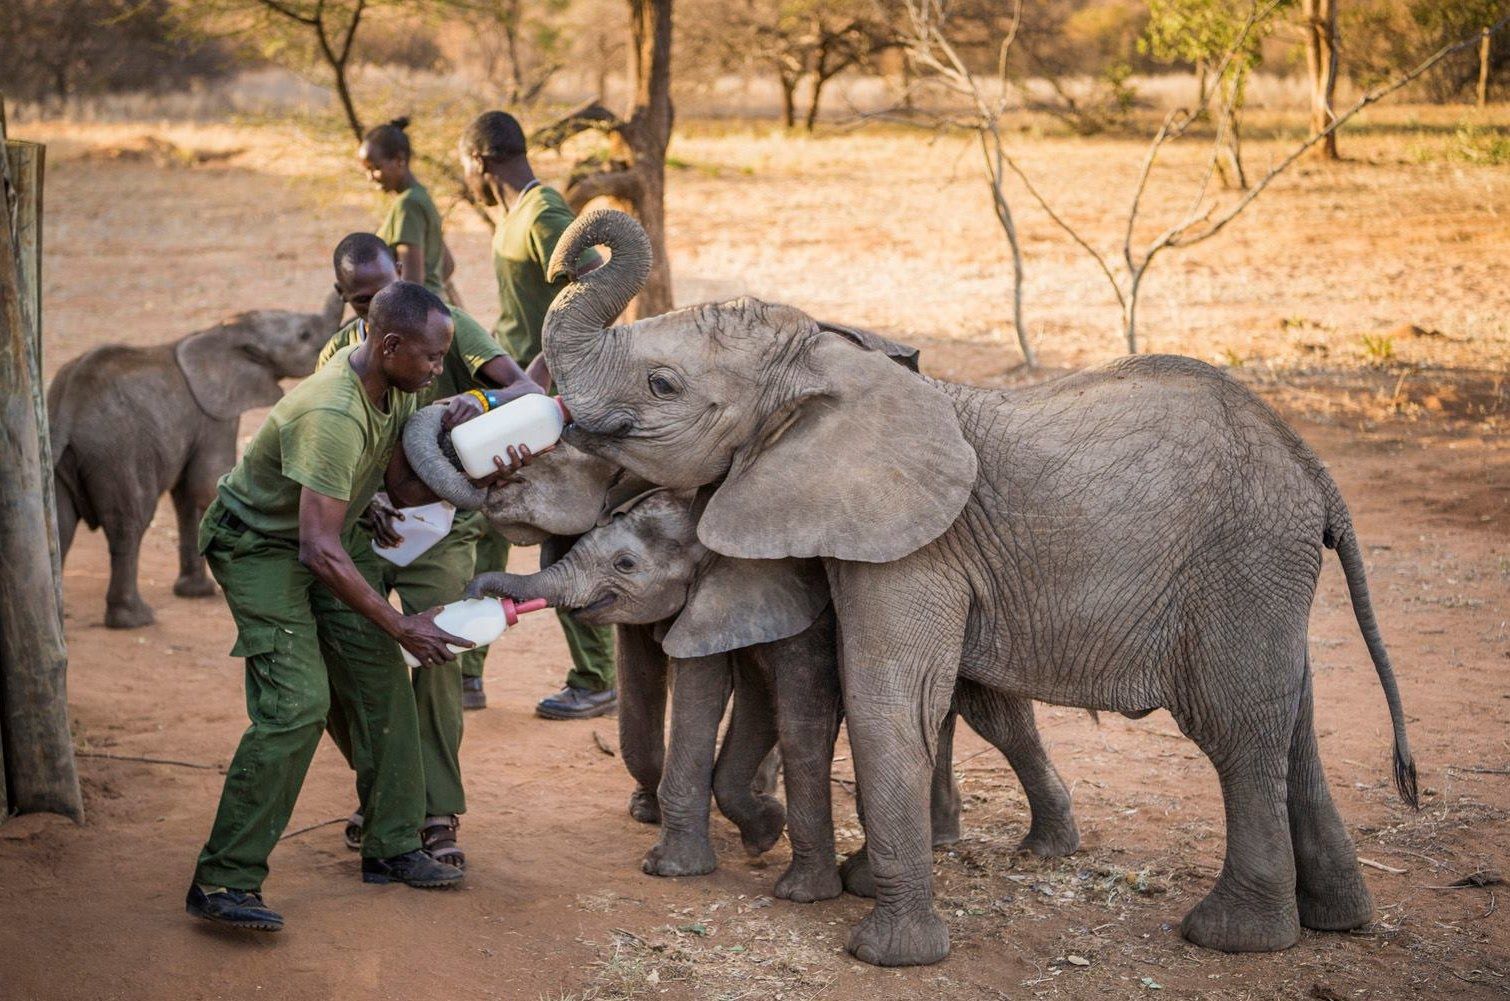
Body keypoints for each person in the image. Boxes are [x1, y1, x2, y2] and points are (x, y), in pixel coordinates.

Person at [186, 281, 477, 932]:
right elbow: (318, 552)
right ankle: (224, 877)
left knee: (381, 681)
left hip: (327, 534)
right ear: (391, 343)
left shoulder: (396, 387)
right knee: (297, 704)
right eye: (432, 358)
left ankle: (394, 843)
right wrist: (401, 620)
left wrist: (453, 439)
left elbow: (397, 483)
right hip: (260, 544)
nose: (437, 370)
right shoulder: (333, 412)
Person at [322, 232, 542, 868]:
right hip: (366, 527)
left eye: (381, 292)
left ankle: (437, 810)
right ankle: (386, 791)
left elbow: (524, 392)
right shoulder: (338, 354)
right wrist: (367, 505)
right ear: (343, 298)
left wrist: (471, 400)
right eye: (358, 300)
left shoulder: (447, 327)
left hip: (445, 524)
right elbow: (330, 450)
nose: (371, 309)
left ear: (402, 272)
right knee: (352, 657)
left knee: (437, 651)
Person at [457, 109, 617, 721]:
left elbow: (603, 285)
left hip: (547, 405)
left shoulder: (542, 214)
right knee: (485, 527)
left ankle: (597, 676)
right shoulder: (517, 214)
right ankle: (467, 671)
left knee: (559, 534)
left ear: (479, 161)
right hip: (517, 399)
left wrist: (547, 373)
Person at [359, 117, 453, 301]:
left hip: (418, 314)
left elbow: (412, 283)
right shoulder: (420, 197)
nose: (370, 177)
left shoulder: (407, 205)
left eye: (376, 168)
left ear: (400, 160)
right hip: (434, 307)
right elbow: (447, 265)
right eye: (367, 170)